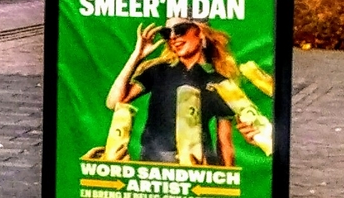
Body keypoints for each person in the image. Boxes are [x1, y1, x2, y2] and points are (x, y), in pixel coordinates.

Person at [101, 17, 272, 167]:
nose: (173, 37)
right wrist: (137, 55)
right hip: (153, 162)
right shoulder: (158, 71)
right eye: (167, 32)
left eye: (180, 29)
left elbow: (224, 141)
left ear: (201, 33)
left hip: (199, 163)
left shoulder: (220, 82)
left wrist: (226, 181)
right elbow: (113, 103)